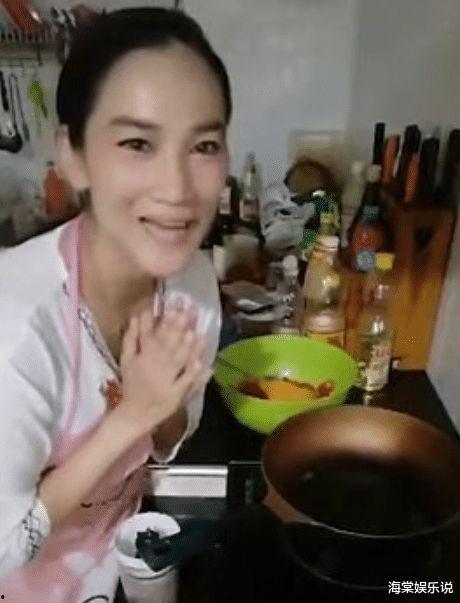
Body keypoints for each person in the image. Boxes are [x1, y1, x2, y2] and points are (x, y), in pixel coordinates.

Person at [0, 7, 231, 601]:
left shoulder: (193, 284)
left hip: (121, 563)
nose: (178, 189)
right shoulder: (15, 330)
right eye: (137, 143)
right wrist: (131, 414)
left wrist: (163, 408)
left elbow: (174, 435)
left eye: (204, 144)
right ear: (72, 155)